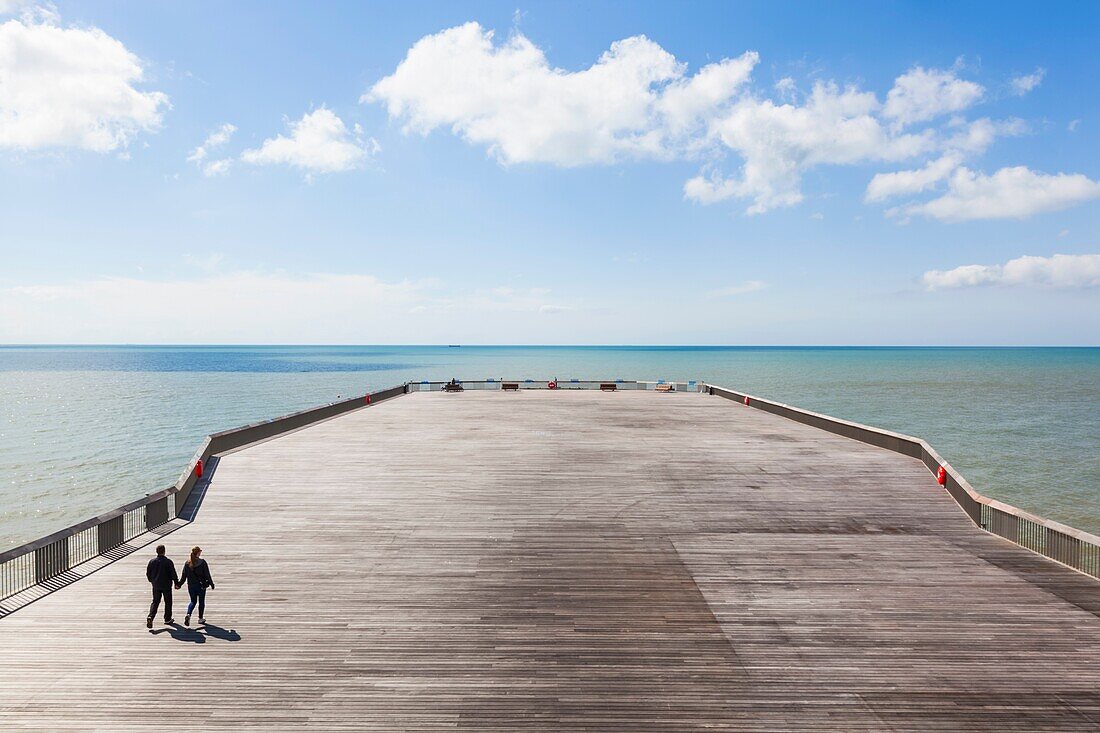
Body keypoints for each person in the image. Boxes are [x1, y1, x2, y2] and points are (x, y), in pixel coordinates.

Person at [177, 545, 215, 626]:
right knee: (201, 602)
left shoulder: (187, 563)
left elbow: (184, 576)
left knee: (193, 601)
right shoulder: (202, 562)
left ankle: (188, 614)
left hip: (191, 586)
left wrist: (179, 584)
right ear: (198, 553)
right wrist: (211, 583)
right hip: (201, 586)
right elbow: (207, 574)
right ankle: (200, 618)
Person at [146, 544, 179, 628]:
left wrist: (152, 581)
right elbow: (173, 573)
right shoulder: (168, 562)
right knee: (168, 602)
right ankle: (167, 618)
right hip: (166, 585)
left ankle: (151, 616)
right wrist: (176, 583)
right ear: (164, 551)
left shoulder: (152, 561)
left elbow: (148, 573)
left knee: (155, 602)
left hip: (156, 585)